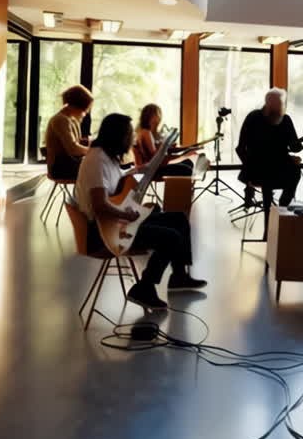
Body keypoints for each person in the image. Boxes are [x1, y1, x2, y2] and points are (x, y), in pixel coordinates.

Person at [75, 112, 207, 311]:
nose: (132, 139)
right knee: (169, 236)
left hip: (113, 220)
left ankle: (179, 276)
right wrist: (127, 215)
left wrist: (140, 169)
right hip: (102, 232)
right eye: (129, 134)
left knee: (178, 218)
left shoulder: (107, 156)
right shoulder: (96, 160)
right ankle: (144, 287)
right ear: (117, 135)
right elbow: (99, 204)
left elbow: (117, 179)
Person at [236, 89, 303, 217]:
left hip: (257, 172)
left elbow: (240, 149)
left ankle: (276, 213)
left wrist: (249, 166)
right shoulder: (283, 119)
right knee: (294, 173)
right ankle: (281, 210)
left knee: (289, 171)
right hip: (265, 173)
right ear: (270, 103)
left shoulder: (253, 117)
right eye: (280, 103)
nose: (281, 106)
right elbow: (296, 147)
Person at [45, 85, 93, 179]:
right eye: (85, 109)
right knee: (101, 168)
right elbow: (73, 148)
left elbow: (76, 143)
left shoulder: (71, 119)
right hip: (61, 169)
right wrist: (93, 151)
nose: (86, 112)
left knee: (103, 166)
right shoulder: (61, 120)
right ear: (76, 105)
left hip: (69, 164)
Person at [135, 103, 194, 177]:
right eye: (157, 114)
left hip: (154, 167)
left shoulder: (147, 132)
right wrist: (165, 145)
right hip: (153, 169)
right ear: (150, 116)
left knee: (188, 163)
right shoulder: (146, 133)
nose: (159, 117)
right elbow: (155, 156)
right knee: (187, 169)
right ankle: (177, 187)